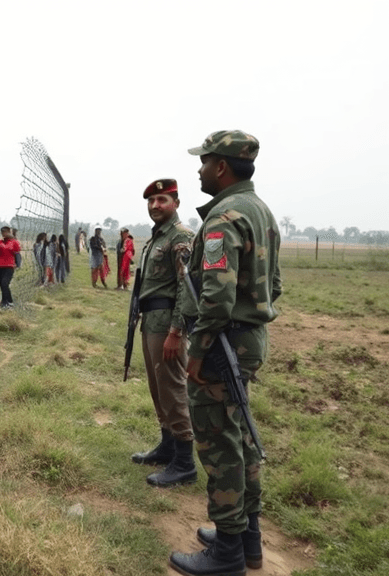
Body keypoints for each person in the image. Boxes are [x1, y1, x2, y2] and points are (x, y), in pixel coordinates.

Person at [169, 131, 281, 576]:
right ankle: (247, 537)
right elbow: (274, 286)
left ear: (221, 167)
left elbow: (215, 297)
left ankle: (228, 551)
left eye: (204, 162)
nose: (199, 170)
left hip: (222, 344)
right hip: (247, 339)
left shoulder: (223, 217)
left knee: (220, 443)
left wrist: (199, 350)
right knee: (240, 437)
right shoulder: (261, 211)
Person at [130, 179, 197, 489]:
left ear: (176, 203)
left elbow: (186, 286)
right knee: (158, 388)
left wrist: (176, 331)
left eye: (162, 200)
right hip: (152, 321)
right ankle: (167, 446)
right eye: (151, 201)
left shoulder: (180, 236)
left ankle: (184, 462)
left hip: (168, 323)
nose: (155, 205)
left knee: (173, 388)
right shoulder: (158, 237)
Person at [0, 225, 21, 308]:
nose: (4, 234)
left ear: (9, 232)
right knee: (2, 285)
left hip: (9, 266)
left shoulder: (14, 242)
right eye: (2, 232)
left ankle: (10, 301)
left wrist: (17, 264)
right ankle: (3, 302)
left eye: (5, 232)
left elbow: (17, 253)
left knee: (5, 283)